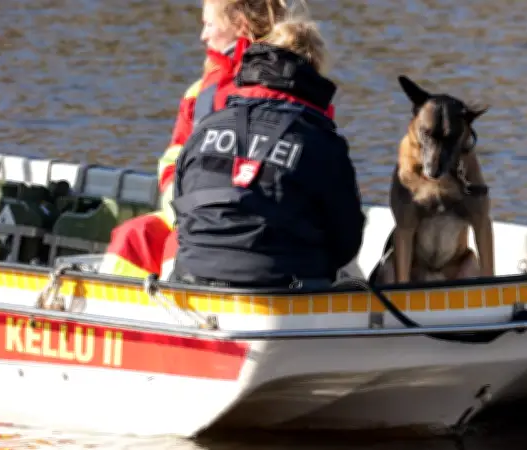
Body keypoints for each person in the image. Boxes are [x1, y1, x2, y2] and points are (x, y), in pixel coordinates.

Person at [98, 0, 305, 279]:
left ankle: (180, 314)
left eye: (209, 24)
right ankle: (112, 313)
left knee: (182, 247)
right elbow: (175, 155)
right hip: (192, 213)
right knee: (132, 238)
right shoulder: (200, 92)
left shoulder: (286, 87)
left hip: (255, 219)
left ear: (240, 25)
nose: (202, 36)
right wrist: (181, 203)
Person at [167, 11, 366, 288]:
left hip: (193, 278)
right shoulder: (321, 141)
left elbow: (180, 206)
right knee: (352, 278)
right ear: (314, 72)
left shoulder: (206, 128)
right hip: (282, 287)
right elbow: (347, 240)